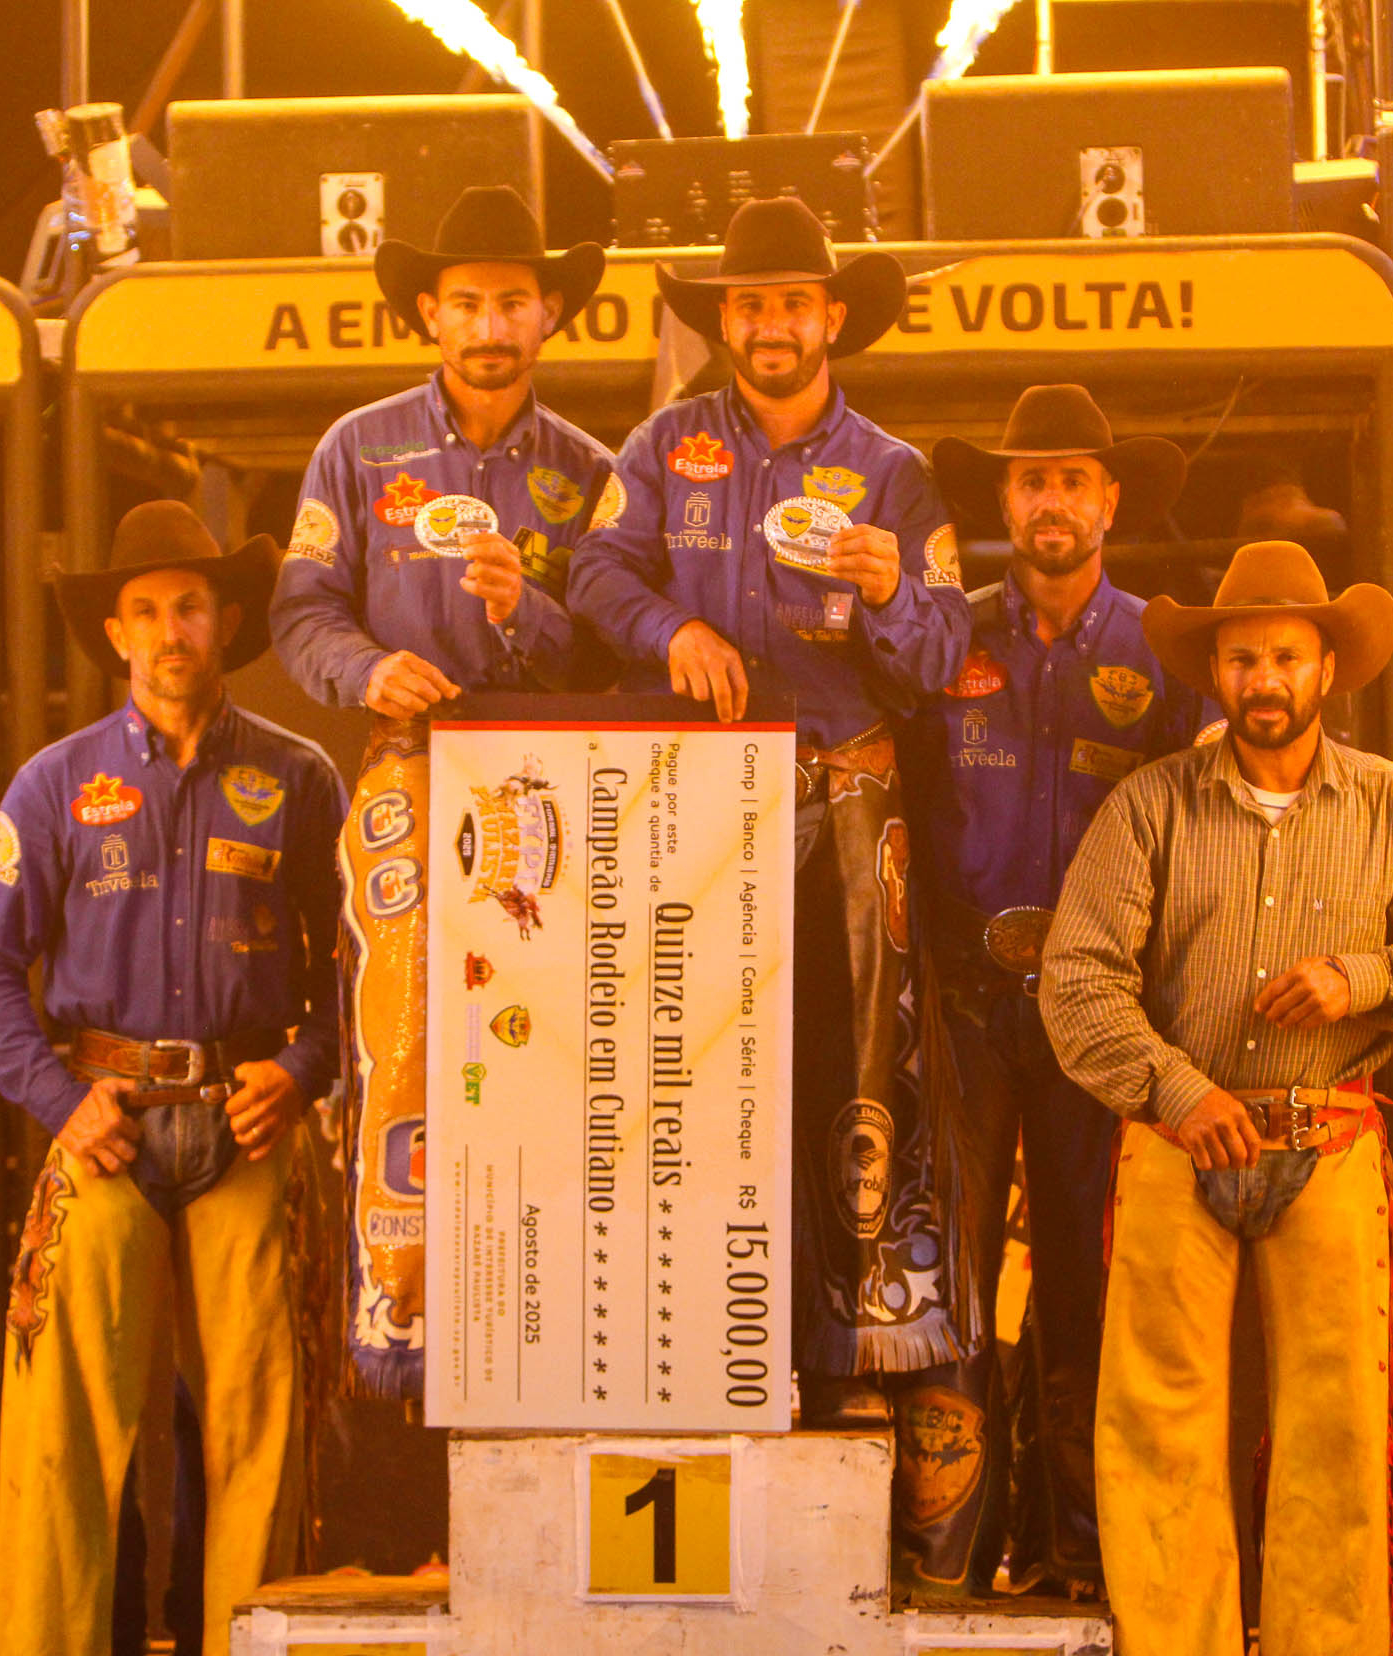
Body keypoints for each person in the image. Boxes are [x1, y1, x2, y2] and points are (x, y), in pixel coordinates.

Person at [567, 194, 977, 1588]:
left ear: (833, 313)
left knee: (857, 1072)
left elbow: (941, 653)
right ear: (722, 318)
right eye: (748, 303)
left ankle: (858, 1355)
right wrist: (669, 623)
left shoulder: (898, 474)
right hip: (698, 801)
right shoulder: (658, 448)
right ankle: (706, 1350)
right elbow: (594, 569)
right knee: (697, 1074)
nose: (772, 323)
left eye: (794, 299)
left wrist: (881, 595)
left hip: (851, 793)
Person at [1038, 539, 1393, 1653]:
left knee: (1338, 1426)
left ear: (1327, 672)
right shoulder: (1150, 807)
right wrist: (1176, 1086)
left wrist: (1370, 978)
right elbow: (1077, 977)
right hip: (1178, 1137)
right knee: (1159, 1420)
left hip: (1331, 1132)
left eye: (1287, 658)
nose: (1266, 679)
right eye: (1245, 657)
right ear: (1220, 673)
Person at [0, 499, 345, 1656]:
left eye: (190, 605)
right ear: (117, 635)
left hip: (250, 1125)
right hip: (103, 1127)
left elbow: (364, 963)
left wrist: (305, 1066)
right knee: (64, 1426)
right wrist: (59, 1100)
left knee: (260, 1427)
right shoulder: (53, 787)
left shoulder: (302, 778)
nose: (171, 630)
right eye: (146, 612)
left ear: (226, 617)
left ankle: (250, 1644)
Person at [269, 184, 613, 1398]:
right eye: (465, 299)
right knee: (405, 1038)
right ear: (428, 311)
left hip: (550, 782)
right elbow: (299, 608)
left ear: (550, 316)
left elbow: (618, 647)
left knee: (555, 1056)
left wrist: (535, 619)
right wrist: (369, 668)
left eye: (512, 300)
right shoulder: (356, 448)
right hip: (407, 770)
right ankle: (404, 1315)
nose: (489, 322)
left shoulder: (593, 471)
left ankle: (560, 1306)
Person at [906, 384, 1203, 1598]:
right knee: (955, 1283)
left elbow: (1206, 827)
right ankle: (952, 1553)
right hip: (968, 1004)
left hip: (1104, 1014)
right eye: (1032, 480)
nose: (1052, 501)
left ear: (1109, 500)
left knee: (1090, 1281)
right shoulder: (942, 637)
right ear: (1004, 500)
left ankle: (1083, 1551)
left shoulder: (1165, 646)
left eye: (1074, 479)